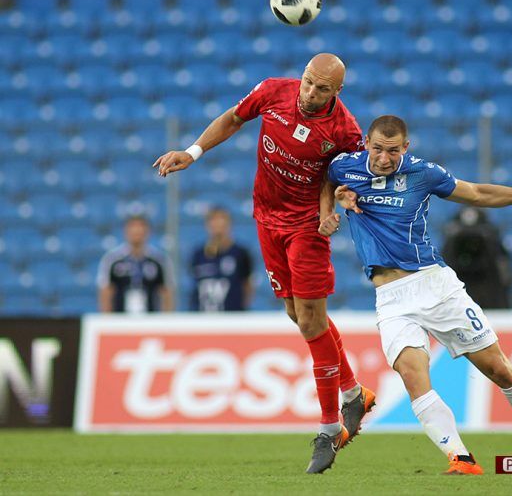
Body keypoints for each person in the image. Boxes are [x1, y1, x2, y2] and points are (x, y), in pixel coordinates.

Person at [322, 115, 512, 475]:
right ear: (366, 143)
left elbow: (477, 194)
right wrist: (330, 208)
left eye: (393, 151)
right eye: (378, 149)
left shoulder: (422, 173)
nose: (384, 158)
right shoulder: (344, 167)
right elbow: (326, 180)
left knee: (499, 369)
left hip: (435, 286)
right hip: (391, 298)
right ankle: (461, 459)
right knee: (412, 376)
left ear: (406, 147)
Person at [152, 53, 375, 474]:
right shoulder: (274, 91)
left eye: (322, 88)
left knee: (310, 320)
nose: (311, 92)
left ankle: (330, 427)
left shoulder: (345, 131)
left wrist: (334, 207)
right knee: (296, 313)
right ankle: (353, 393)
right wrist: (193, 152)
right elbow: (234, 118)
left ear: (337, 92)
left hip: (306, 226)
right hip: (266, 218)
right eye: (308, 81)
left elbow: (344, 179)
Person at [96, 215, 175, 313]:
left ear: (148, 231)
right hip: (120, 318)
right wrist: (107, 318)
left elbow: (166, 292)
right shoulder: (112, 259)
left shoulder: (159, 260)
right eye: (132, 227)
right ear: (125, 231)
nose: (137, 231)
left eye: (141, 227)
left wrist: (166, 318)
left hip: (150, 318)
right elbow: (106, 291)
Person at [442, 206, 512, 309]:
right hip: (457, 298)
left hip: (490, 295)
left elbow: (506, 277)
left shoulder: (493, 243)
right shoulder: (449, 248)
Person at [189, 207, 254, 312]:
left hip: (232, 315)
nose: (218, 227)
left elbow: (247, 285)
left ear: (229, 225)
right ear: (207, 226)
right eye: (214, 222)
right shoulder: (198, 254)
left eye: (222, 223)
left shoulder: (240, 254)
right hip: (203, 315)